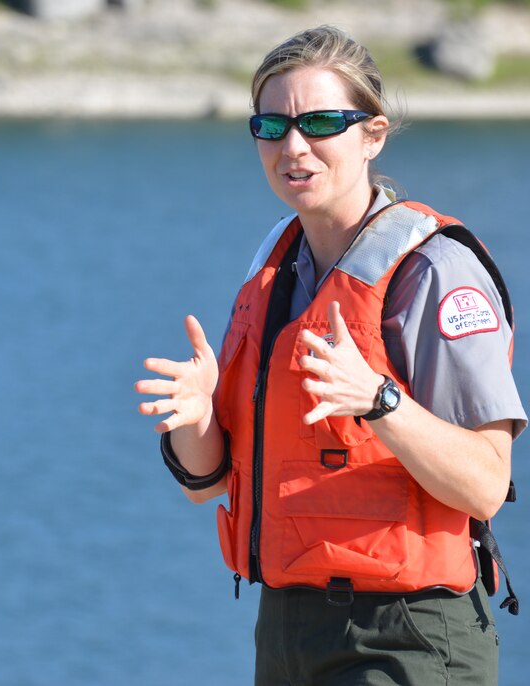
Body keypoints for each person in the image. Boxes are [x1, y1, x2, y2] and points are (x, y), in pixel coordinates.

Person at [135, 25, 525, 685]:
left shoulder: (433, 272)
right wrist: (197, 415)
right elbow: (210, 486)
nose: (294, 146)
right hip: (286, 628)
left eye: (320, 123)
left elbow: (486, 486)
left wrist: (380, 401)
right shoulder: (275, 268)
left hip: (409, 636)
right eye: (272, 124)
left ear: (372, 135)